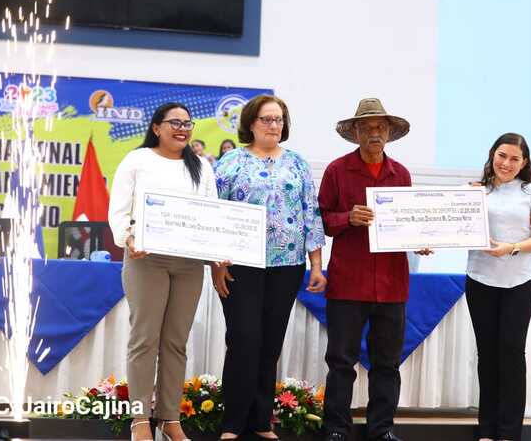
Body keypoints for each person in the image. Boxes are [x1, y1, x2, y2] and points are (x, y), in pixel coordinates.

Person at [212, 95, 327, 440]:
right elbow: (214, 214)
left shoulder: (297, 163)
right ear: (251, 123)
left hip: (287, 265)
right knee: (244, 338)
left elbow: (311, 213)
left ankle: (261, 421)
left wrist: (316, 265)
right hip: (240, 264)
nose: (274, 125)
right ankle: (233, 422)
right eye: (267, 119)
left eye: (279, 120)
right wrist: (216, 263)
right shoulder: (231, 162)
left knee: (270, 342)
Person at [318, 98, 431, 441]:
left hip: (391, 284)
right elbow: (322, 221)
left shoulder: (402, 174)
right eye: (366, 127)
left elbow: (407, 222)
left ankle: (382, 429)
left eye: (380, 126)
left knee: (387, 364)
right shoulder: (336, 171)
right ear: (354, 133)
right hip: (348, 282)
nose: (374, 132)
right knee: (341, 361)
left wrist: (418, 239)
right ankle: (336, 429)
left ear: (390, 132)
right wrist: (347, 218)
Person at [108, 102, 218, 441]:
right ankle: (140, 420)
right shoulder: (137, 160)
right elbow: (118, 211)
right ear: (156, 127)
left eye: (187, 123)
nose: (182, 129)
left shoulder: (201, 166)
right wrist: (127, 238)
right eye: (175, 123)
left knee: (176, 342)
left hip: (188, 264)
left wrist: (219, 252)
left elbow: (211, 213)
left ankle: (170, 418)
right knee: (145, 339)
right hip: (146, 259)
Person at [466, 133, 531, 441]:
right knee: (487, 356)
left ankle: (509, 433)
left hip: (519, 283)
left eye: (515, 159)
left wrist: (511, 248)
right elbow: (456, 227)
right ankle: (487, 431)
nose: (507, 163)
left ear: (524, 163)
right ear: (493, 155)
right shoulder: (476, 191)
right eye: (502, 156)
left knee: (512, 354)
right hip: (480, 280)